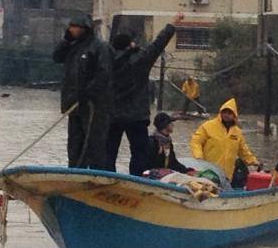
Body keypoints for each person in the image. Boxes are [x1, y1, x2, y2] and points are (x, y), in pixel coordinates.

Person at [106, 11, 184, 175]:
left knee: (108, 154)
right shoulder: (140, 60)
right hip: (137, 116)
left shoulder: (106, 62)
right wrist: (173, 23)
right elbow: (158, 44)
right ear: (131, 45)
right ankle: (137, 181)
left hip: (112, 115)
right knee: (139, 155)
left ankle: (106, 181)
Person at [53, 13, 112, 169]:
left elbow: (104, 73)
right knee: (74, 146)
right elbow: (57, 57)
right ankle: (74, 174)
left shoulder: (99, 47)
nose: (71, 29)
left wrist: (89, 92)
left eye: (75, 27)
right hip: (74, 106)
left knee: (93, 146)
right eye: (70, 27)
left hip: (93, 107)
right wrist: (65, 41)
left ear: (84, 28)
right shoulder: (72, 47)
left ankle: (96, 176)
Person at [190, 98, 261, 185]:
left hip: (227, 175)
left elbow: (243, 151)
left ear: (234, 115)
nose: (226, 115)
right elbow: (196, 141)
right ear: (220, 113)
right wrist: (198, 157)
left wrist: (254, 162)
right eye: (224, 112)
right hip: (208, 172)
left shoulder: (237, 132)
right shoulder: (207, 126)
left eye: (229, 113)